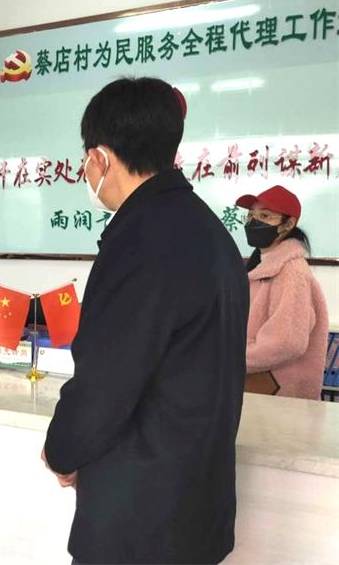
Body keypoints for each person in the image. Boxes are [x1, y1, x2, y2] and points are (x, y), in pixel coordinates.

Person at [42, 78, 249, 564]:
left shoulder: (139, 242)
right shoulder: (210, 232)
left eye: (86, 159)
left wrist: (63, 450)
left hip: (140, 521)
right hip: (196, 509)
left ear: (101, 158)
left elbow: (105, 382)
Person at [237, 185, 328, 399]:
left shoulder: (291, 272)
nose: (253, 222)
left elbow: (286, 342)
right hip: (260, 389)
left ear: (288, 224)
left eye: (265, 216)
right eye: (250, 215)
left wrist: (231, 359)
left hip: (278, 394)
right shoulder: (263, 266)